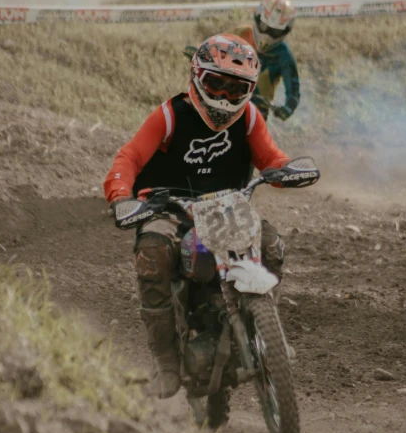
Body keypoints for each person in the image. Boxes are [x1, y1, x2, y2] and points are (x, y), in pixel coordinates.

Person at [103, 34, 292, 399]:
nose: (223, 97)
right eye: (215, 85)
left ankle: (264, 328)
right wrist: (120, 195)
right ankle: (165, 361)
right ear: (196, 77)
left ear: (250, 90)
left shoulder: (249, 117)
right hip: (168, 207)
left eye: (235, 89)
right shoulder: (170, 115)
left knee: (271, 245)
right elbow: (129, 158)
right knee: (154, 251)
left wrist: (285, 170)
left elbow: (271, 158)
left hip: (226, 206)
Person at [234, 0, 300, 122]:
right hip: (224, 97)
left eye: (275, 31)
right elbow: (215, 47)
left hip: (257, 110)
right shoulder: (240, 33)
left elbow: (293, 90)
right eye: (264, 26)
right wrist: (200, 52)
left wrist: (288, 108)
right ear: (257, 17)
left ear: (286, 30)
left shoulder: (284, 56)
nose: (267, 34)